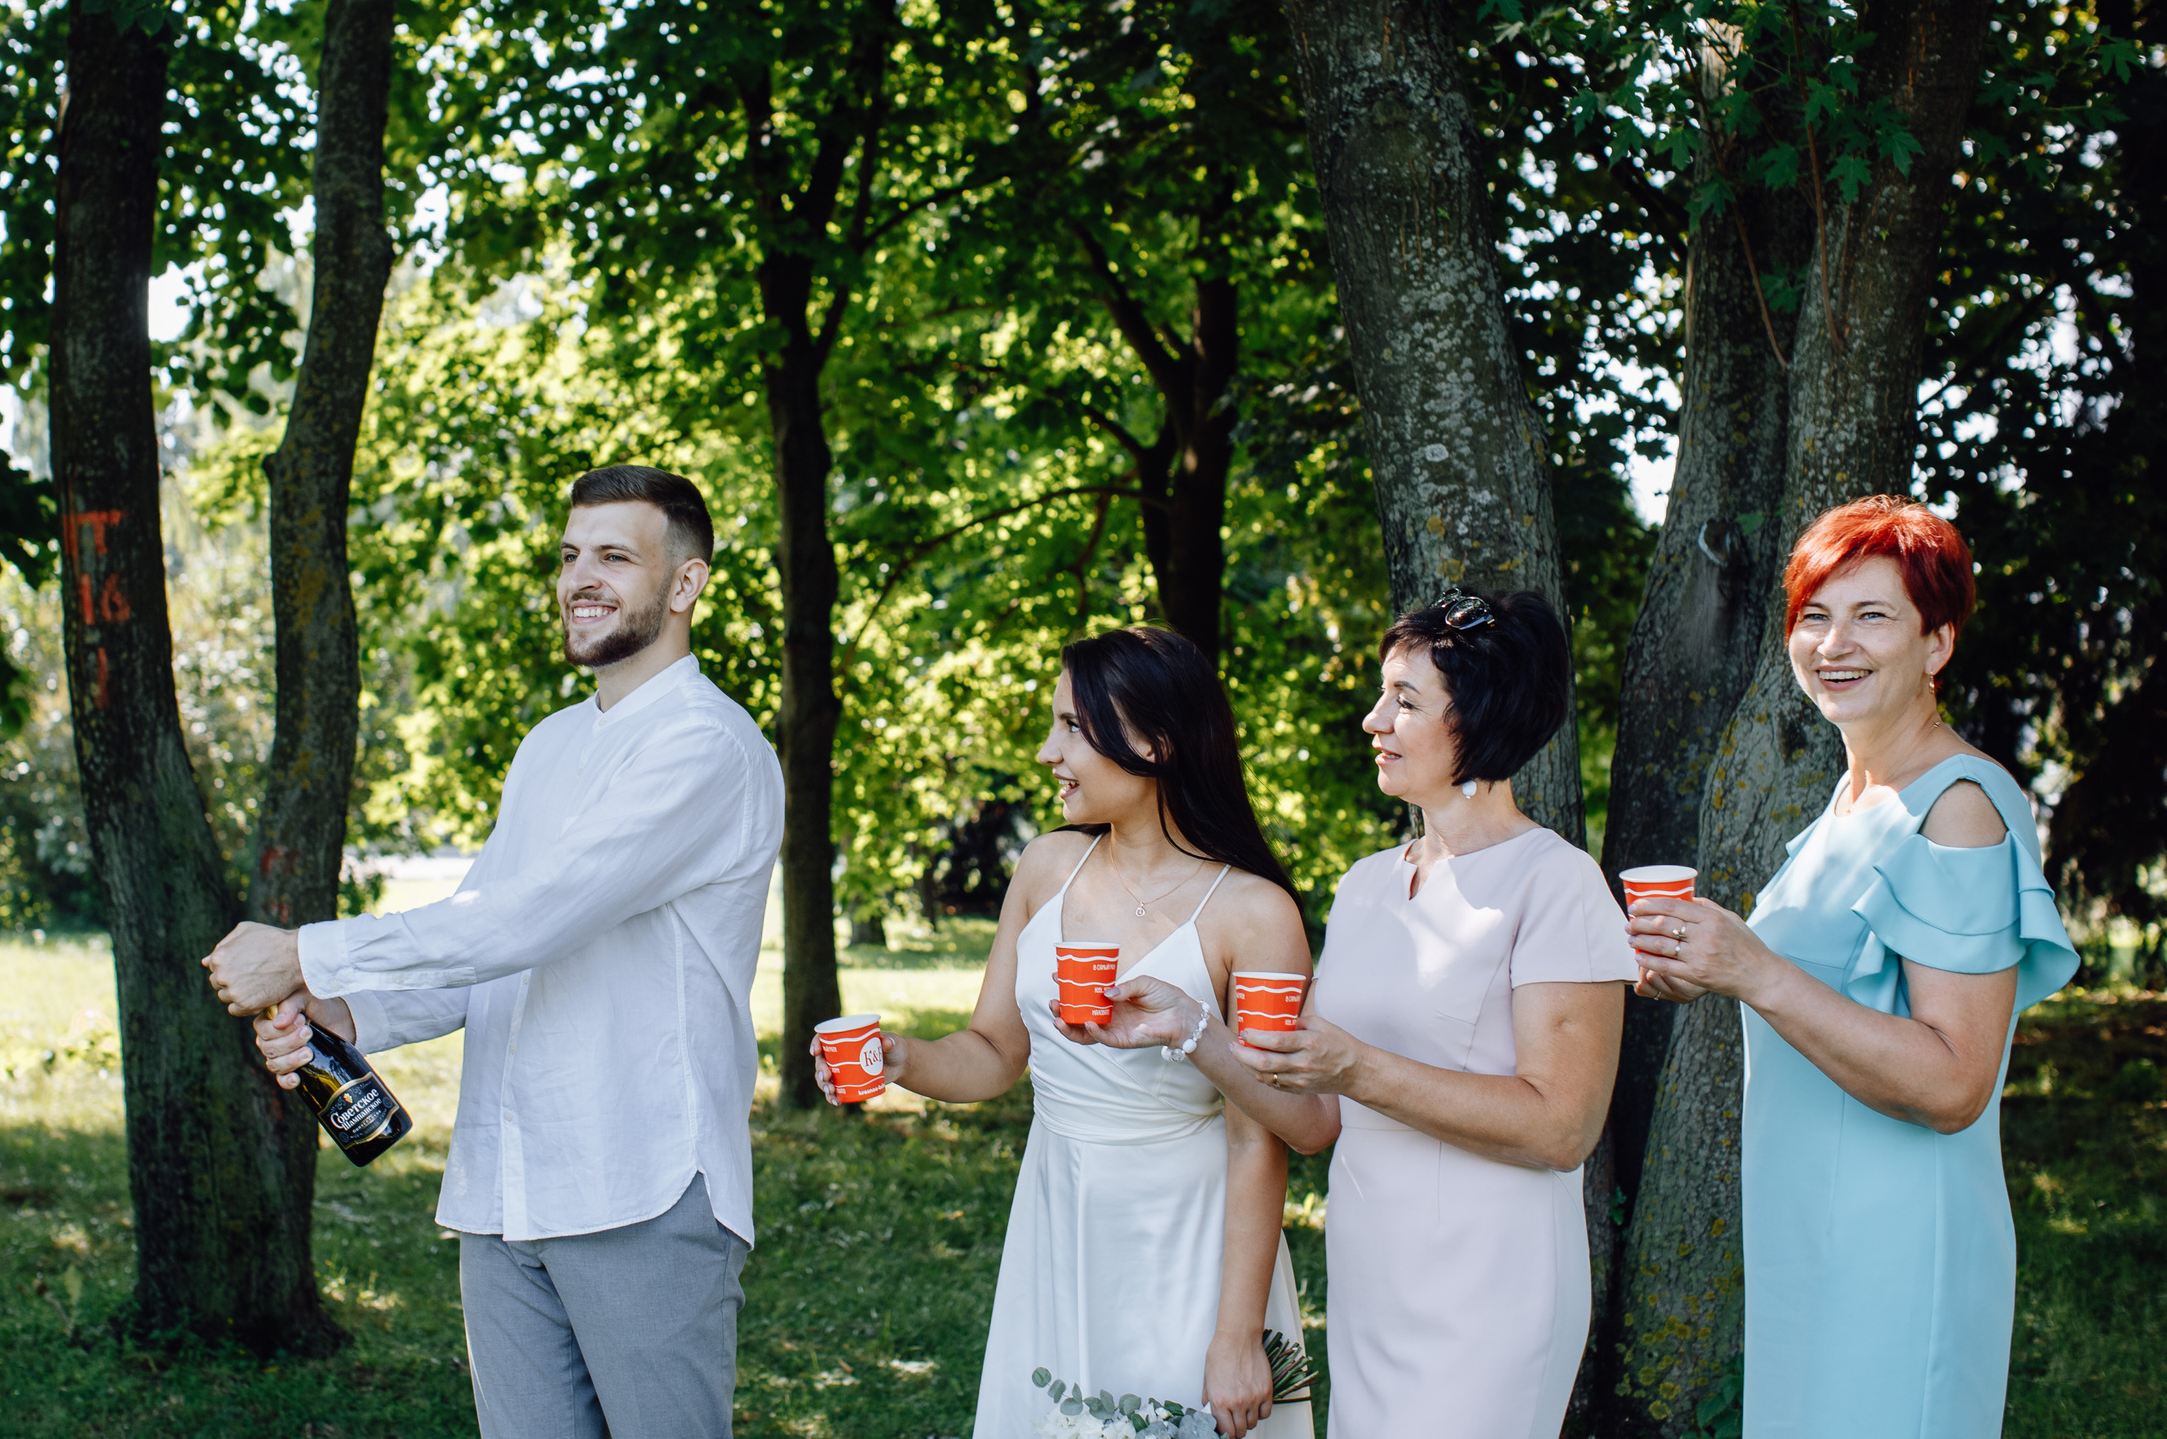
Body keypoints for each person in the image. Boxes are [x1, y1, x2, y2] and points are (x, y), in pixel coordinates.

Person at [202, 465, 782, 1439]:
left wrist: (305, 952)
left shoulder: (707, 747)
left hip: (637, 1179)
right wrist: (349, 1013)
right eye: (569, 555)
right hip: (504, 1185)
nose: (579, 578)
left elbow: (535, 919)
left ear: (686, 583)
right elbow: (484, 931)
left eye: (614, 557)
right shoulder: (548, 745)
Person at [1074, 589, 1634, 1439]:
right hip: (1374, 1276)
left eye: (1405, 700)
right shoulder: (1367, 883)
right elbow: (1315, 1119)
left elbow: (1564, 1128)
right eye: (1382, 693)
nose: (1374, 719)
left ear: (1480, 718)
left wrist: (1359, 1067)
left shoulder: (1556, 883)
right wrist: (1192, 1031)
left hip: (1490, 1285)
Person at [1625, 497, 2075, 1439]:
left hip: (1898, 1252)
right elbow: (1821, 997)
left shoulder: (1958, 807)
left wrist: (1756, 971)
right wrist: (1706, 967)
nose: (1835, 643)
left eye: (1872, 615)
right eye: (1815, 616)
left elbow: (1954, 1082)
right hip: (1807, 1241)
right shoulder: (1848, 802)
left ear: (1937, 642)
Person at [814, 627, 1312, 1439]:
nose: (1049, 751)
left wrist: (1236, 1335)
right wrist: (902, 1058)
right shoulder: (1046, 867)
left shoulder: (1256, 912)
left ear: (1155, 741)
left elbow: (1261, 1135)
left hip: (1187, 1236)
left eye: (1073, 727)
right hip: (1056, 1215)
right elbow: (993, 1051)